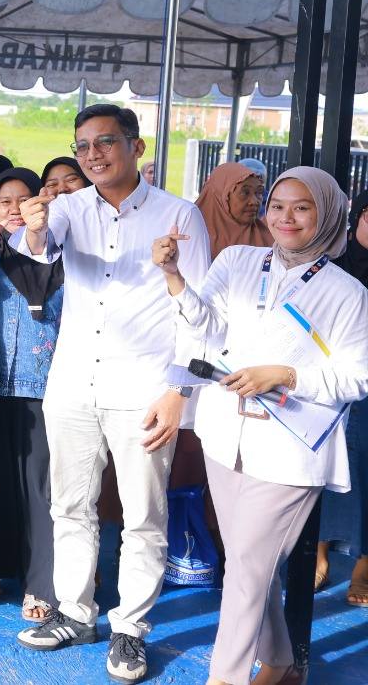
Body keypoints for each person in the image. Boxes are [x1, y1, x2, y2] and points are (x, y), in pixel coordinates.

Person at [13, 104, 211, 684]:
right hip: (73, 382)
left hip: (144, 389)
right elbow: (37, 256)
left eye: (104, 142)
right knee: (69, 506)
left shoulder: (179, 216)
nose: (92, 154)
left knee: (143, 515)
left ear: (136, 147)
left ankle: (131, 628)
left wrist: (179, 390)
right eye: (82, 146)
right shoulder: (68, 208)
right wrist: (33, 227)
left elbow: (198, 312)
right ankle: (76, 613)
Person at [154, 166, 368, 685]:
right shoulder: (238, 260)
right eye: (277, 205)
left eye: (302, 207)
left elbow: (357, 377)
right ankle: (279, 662)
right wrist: (175, 277)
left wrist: (287, 375)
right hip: (225, 436)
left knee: (247, 571)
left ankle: (224, 678)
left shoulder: (347, 293)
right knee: (251, 565)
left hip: (290, 450)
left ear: (327, 215)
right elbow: (206, 327)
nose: (285, 217)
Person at [0, 167, 63, 622]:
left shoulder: (56, 249)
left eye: (24, 200)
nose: (15, 209)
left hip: (44, 385)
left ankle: (40, 585)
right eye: (5, 201)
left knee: (39, 489)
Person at [321, 188, 368, 606]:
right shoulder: (335, 264)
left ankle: (363, 567)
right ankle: (317, 552)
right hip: (332, 382)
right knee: (326, 463)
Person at [196, 161, 271, 259]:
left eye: (259, 192)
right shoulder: (189, 235)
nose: (254, 201)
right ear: (220, 196)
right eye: (245, 193)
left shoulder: (270, 238)